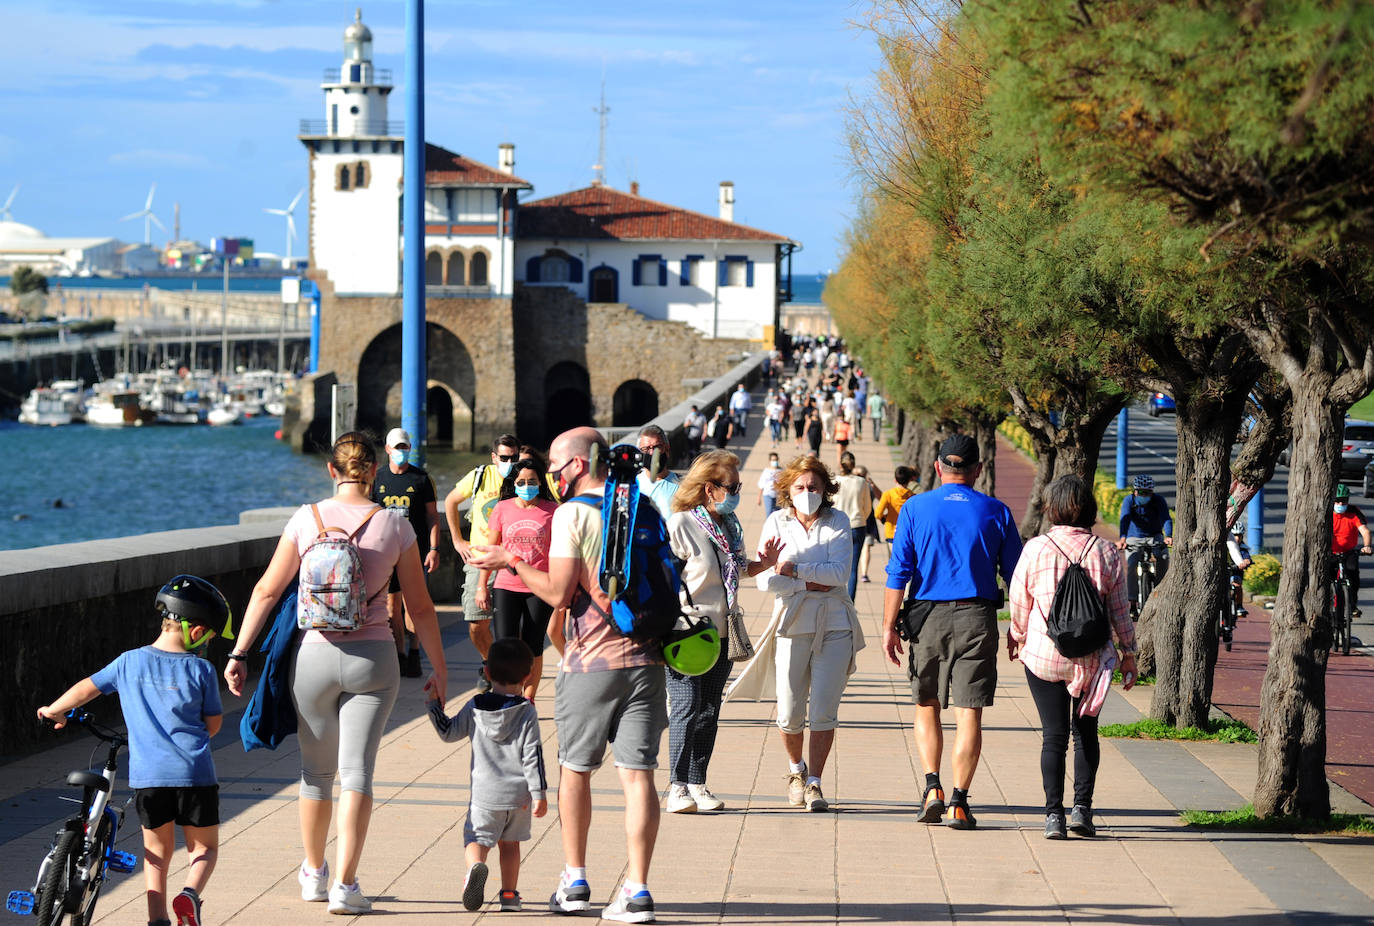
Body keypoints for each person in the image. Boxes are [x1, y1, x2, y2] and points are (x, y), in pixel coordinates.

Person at [226, 432, 448, 915]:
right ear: (373, 472)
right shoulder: (394, 525)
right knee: (358, 774)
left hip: (313, 658)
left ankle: (313, 872)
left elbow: (266, 591)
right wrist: (440, 668)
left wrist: (240, 652)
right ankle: (346, 886)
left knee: (315, 774)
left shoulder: (306, 519)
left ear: (332, 470)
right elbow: (422, 607)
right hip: (374, 658)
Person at [468, 427, 666, 923]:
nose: (552, 479)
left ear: (578, 465)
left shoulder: (573, 513)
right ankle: (638, 888)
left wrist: (509, 558)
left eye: (556, 470)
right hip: (648, 661)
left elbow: (557, 592)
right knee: (638, 775)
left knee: (575, 771)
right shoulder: (644, 507)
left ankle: (575, 880)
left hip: (590, 661)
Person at [38, 575, 232, 926]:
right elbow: (214, 725)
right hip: (196, 775)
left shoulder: (128, 662)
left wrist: (55, 710)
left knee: (156, 854)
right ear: (198, 630)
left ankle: (157, 919)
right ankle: (189, 895)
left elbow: (87, 688)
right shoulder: (201, 670)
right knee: (204, 848)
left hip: (150, 778)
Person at [882, 434, 1022, 830]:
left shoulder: (914, 508)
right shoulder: (996, 511)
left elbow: (899, 573)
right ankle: (959, 803)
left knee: (927, 704)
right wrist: (1018, 626)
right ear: (978, 469)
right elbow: (1016, 576)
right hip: (978, 617)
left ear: (939, 467)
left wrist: (888, 626)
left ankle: (932, 789)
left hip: (928, 619)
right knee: (969, 712)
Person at [729, 455, 865, 813]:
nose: (807, 493)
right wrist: (807, 583)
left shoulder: (838, 522)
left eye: (814, 487)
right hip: (791, 624)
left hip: (835, 624)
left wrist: (794, 571)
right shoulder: (777, 520)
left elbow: (840, 575)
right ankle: (796, 771)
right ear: (788, 490)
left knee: (823, 710)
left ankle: (816, 783)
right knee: (788, 712)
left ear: (825, 489)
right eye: (800, 487)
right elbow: (763, 579)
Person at [1006, 475, 1137, 840]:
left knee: (1053, 736)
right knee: (1086, 735)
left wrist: (1017, 635)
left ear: (1052, 508)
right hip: (1092, 658)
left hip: (1045, 656)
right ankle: (1082, 810)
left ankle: (1053, 816)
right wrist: (1128, 653)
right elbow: (1119, 611)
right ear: (1090, 509)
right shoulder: (1108, 551)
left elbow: (1019, 601)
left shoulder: (1035, 548)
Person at [664, 450, 782, 814]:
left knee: (709, 709)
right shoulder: (681, 524)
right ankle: (676, 787)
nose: (737, 493)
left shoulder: (729, 527)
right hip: (686, 632)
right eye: (731, 486)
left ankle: (698, 783)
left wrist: (764, 565)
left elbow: (735, 570)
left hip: (723, 631)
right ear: (708, 488)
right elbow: (666, 579)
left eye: (739, 486)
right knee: (686, 707)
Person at [427, 639, 548, 913]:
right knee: (510, 846)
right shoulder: (527, 710)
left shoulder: (475, 705)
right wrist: (539, 793)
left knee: (476, 839)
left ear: (488, 673)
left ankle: (475, 868)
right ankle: (509, 896)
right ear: (528, 675)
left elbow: (448, 732)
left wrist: (434, 706)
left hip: (485, 795)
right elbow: (534, 755)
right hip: (519, 797)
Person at [446, 434, 523, 688]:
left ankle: (508, 675)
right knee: (476, 624)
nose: (509, 463)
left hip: (513, 564)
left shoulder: (525, 479)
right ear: (494, 457)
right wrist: (457, 540)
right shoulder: (481, 476)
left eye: (513, 457)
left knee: (510, 627)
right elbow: (451, 501)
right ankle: (490, 664)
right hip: (479, 560)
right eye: (504, 458)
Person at [482, 458, 559, 701]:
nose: (527, 486)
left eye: (532, 481)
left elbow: (559, 551)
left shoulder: (553, 510)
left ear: (540, 482)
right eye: (522, 482)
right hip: (506, 585)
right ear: (513, 483)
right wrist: (481, 587)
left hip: (540, 586)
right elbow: (491, 549)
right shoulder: (502, 508)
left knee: (533, 645)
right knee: (505, 645)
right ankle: (506, 696)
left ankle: (528, 699)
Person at [372, 427, 440, 678]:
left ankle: (414, 651)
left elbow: (432, 516)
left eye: (405, 447)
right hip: (386, 553)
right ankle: (399, 654)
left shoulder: (421, 479)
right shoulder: (377, 480)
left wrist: (433, 549)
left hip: (415, 552)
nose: (401, 452)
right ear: (388, 449)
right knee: (392, 606)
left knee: (414, 606)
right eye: (397, 447)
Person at [1116, 474, 1173, 616]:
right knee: (1131, 564)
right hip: (1134, 538)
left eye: (1148, 492)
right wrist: (1122, 538)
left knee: (1164, 557)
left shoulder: (1158, 501)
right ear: (1135, 491)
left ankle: (1161, 592)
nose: (1145, 495)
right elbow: (1125, 519)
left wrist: (1169, 536)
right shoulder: (1129, 501)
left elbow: (1166, 518)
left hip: (1155, 536)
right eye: (1141, 492)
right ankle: (1133, 602)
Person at [834, 452, 872, 600]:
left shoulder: (835, 481)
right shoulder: (861, 482)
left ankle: (836, 598)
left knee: (835, 565)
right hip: (857, 525)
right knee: (853, 567)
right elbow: (867, 507)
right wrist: (861, 517)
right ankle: (850, 601)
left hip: (838, 526)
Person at [1332, 483, 1372, 617]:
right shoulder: (1326, 511)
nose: (1339, 503)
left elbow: (1365, 531)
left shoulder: (1353, 512)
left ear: (1348, 500)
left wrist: (1367, 546)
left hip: (1349, 552)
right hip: (1329, 553)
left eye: (1343, 500)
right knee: (1325, 579)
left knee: (1353, 577)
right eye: (1337, 500)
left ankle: (1352, 605)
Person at [635, 424, 681, 520]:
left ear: (667, 449)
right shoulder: (633, 485)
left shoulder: (683, 485)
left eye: (657, 447)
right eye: (646, 449)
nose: (652, 453)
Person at [875, 466, 915, 548]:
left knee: (892, 559)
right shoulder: (913, 497)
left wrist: (884, 518)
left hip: (891, 532)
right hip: (907, 532)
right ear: (909, 480)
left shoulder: (888, 494)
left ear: (895, 480)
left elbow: (878, 513)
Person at [757, 451, 781, 518]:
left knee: (778, 513)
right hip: (768, 494)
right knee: (769, 512)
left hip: (778, 496)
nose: (775, 461)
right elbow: (761, 484)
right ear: (770, 461)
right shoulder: (766, 471)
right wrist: (759, 497)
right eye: (773, 460)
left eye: (776, 460)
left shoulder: (781, 471)